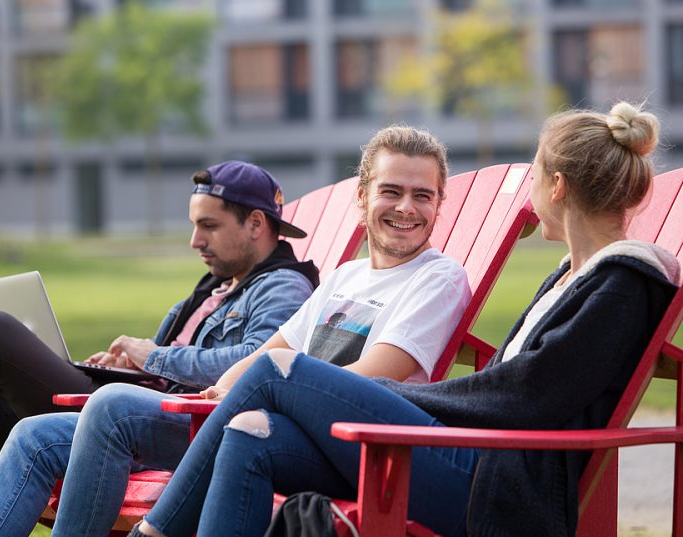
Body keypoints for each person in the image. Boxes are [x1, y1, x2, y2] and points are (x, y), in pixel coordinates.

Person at [126, 102, 681, 537]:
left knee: (278, 371)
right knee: (252, 436)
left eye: (535, 172)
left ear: (556, 186)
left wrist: (402, 398)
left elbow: (529, 395)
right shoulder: (576, 275)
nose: (529, 189)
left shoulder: (623, 284)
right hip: (476, 460)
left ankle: (154, 532)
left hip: (495, 488)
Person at [0, 125, 473, 536]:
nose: (407, 208)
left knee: (114, 404)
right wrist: (226, 387)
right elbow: (271, 353)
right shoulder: (345, 277)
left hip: (337, 443)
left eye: (422, 196)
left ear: (439, 203)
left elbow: (367, 377)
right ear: (362, 199)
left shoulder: (438, 278)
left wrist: (249, 387)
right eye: (391, 191)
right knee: (36, 434)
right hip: (252, 414)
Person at [0, 160, 321, 537]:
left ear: (257, 224)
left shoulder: (281, 285)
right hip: (124, 403)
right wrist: (123, 366)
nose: (195, 240)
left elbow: (259, 363)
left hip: (157, 422)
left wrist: (151, 355)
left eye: (209, 225)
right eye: (193, 225)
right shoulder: (216, 288)